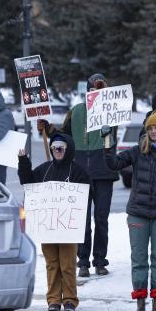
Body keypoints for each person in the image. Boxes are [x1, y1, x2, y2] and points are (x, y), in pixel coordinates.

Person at [102, 112, 156, 311]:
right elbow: (113, 163)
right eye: (150, 128)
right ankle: (140, 305)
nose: (154, 131)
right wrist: (107, 141)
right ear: (147, 131)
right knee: (139, 259)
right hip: (138, 214)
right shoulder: (137, 152)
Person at [38, 73, 117, 277]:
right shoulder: (75, 111)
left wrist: (108, 128)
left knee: (101, 218)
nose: (96, 92)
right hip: (80, 173)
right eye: (93, 89)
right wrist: (47, 128)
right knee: (82, 220)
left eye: (100, 89)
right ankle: (83, 261)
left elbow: (111, 140)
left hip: (104, 172)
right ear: (87, 91)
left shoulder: (111, 111)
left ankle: (100, 260)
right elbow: (63, 135)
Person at [17, 134, 90, 311]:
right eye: (54, 147)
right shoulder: (44, 169)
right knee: (52, 264)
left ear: (68, 149)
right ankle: (54, 300)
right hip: (47, 227)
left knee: (68, 264)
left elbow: (85, 198)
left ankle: (70, 300)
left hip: (68, 228)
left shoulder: (79, 171)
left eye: (61, 147)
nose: (57, 150)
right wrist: (23, 161)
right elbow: (27, 182)